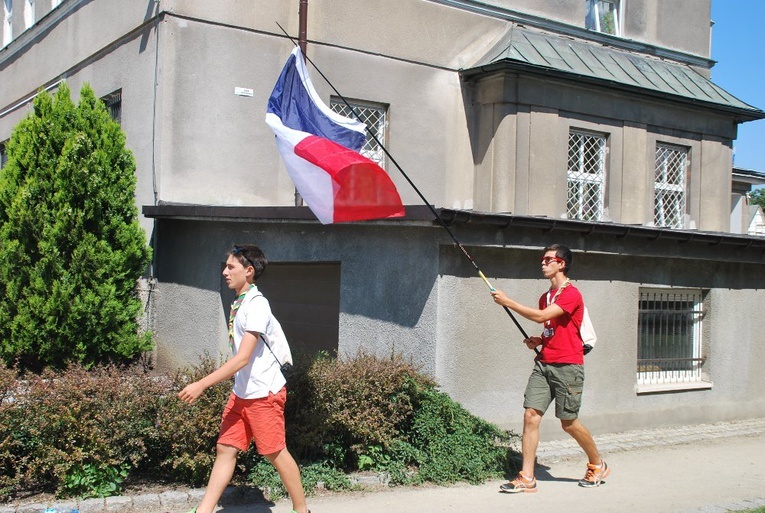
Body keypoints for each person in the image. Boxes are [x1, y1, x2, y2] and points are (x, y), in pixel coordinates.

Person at [178, 244, 310, 513]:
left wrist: (201, 384)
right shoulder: (240, 301)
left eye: (231, 267)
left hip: (264, 393)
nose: (225, 272)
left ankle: (301, 510)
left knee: (275, 452)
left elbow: (242, 358)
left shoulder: (257, 305)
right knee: (225, 448)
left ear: (249, 271)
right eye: (225, 266)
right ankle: (203, 511)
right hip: (242, 392)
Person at [490, 244, 609, 493]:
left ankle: (597, 463)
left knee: (568, 423)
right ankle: (527, 477)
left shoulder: (572, 294)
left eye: (548, 259)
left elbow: (541, 317)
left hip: (568, 366)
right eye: (542, 259)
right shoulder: (545, 297)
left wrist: (508, 301)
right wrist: (540, 340)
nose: (543, 263)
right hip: (544, 363)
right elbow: (552, 327)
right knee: (530, 415)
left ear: (561, 264)